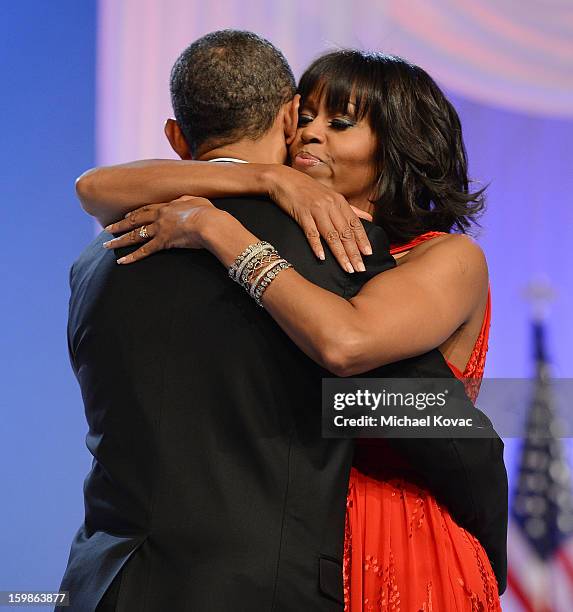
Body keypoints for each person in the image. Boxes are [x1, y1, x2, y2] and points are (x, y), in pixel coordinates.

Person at [80, 48, 508, 610]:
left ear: (397, 147)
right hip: (309, 527)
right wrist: (263, 180)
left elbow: (347, 343)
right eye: (304, 118)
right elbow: (95, 186)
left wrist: (214, 228)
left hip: (402, 533)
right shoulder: (299, 238)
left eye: (340, 124)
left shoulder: (447, 258)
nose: (310, 135)